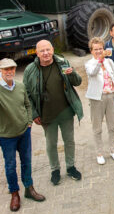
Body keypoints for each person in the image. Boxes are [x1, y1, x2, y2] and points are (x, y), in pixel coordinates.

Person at [23, 40, 83, 185]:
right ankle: (55, 170)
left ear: (52, 50)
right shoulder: (30, 70)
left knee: (69, 141)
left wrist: (72, 73)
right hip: (46, 115)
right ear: (36, 53)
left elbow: (78, 82)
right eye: (42, 51)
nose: (46, 53)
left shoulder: (62, 62)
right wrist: (34, 114)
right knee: (51, 144)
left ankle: (70, 167)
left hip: (66, 111)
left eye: (48, 50)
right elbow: (26, 95)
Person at [0, 58, 45, 212]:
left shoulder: (20, 86)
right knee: (11, 166)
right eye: (6, 69)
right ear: (0, 71)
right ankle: (14, 194)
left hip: (24, 132)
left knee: (27, 162)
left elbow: (27, 104)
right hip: (6, 136)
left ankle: (29, 188)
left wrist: (29, 122)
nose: (9, 72)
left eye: (12, 68)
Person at [85, 37, 114, 165]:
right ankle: (99, 153)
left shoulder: (109, 62)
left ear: (104, 49)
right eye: (95, 49)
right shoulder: (89, 64)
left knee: (112, 126)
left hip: (111, 95)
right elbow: (92, 73)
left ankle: (113, 150)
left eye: (100, 49)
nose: (98, 51)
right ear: (91, 51)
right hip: (97, 98)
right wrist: (99, 61)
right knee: (97, 128)